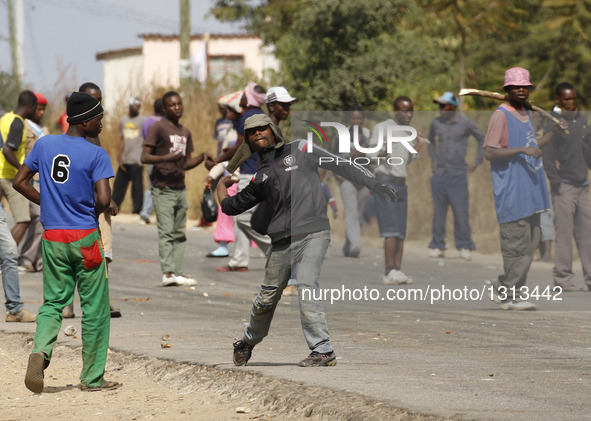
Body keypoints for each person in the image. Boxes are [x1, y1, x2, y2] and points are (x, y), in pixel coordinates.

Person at [219, 114, 397, 367]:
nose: (258, 134)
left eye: (262, 129)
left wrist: (374, 183)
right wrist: (221, 186)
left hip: (314, 233)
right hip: (281, 240)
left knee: (306, 285)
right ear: (247, 140)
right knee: (267, 298)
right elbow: (230, 206)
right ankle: (247, 341)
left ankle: (323, 351)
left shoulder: (301, 149)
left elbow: (340, 164)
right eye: (252, 132)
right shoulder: (261, 177)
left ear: (274, 131)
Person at [14, 91, 120, 392]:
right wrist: (87, 207)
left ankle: (41, 352)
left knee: (53, 302)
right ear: (86, 121)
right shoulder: (96, 154)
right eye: (99, 119)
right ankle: (92, 378)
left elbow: (19, 182)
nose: (101, 124)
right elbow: (104, 199)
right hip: (85, 237)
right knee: (95, 308)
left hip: (53, 237)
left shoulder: (45, 143)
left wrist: (49, 202)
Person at [483, 67, 562, 310]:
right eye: (515, 86)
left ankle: (506, 288)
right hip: (511, 192)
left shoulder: (526, 115)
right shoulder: (501, 115)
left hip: (532, 190)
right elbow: (490, 151)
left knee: (531, 244)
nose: (520, 89)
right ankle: (510, 295)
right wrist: (521, 151)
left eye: (524, 86)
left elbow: (530, 145)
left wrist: (550, 135)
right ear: (506, 89)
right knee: (515, 246)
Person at [141, 91, 213, 286]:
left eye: (179, 104)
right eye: (172, 105)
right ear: (164, 109)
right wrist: (166, 158)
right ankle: (168, 272)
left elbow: (185, 163)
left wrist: (203, 157)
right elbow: (144, 157)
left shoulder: (185, 132)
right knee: (166, 232)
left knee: (180, 233)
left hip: (180, 188)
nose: (177, 108)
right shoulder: (158, 128)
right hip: (162, 188)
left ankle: (178, 272)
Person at [213, 82, 271, 272]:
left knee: (244, 216)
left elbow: (240, 147)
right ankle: (239, 260)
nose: (242, 98)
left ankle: (274, 249)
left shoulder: (246, 117)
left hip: (249, 173)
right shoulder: (261, 114)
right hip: (260, 170)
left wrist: (219, 161)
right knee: (241, 218)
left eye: (245, 95)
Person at [369, 96, 426, 284]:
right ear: (395, 110)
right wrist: (383, 151)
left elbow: (406, 160)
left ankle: (398, 270)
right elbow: (371, 156)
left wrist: (418, 144)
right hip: (386, 182)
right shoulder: (382, 128)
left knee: (401, 230)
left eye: (411, 111)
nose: (408, 114)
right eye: (404, 110)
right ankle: (388, 271)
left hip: (401, 184)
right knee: (391, 230)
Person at [541, 82, 591, 291]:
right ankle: (562, 280)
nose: (572, 102)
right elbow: (548, 156)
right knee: (563, 234)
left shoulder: (582, 120)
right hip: (564, 187)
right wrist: (556, 182)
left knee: (587, 234)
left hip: (583, 185)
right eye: (567, 99)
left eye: (574, 98)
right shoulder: (554, 123)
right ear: (559, 100)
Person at [427, 91, 484, 260]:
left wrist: (476, 161)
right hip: (440, 173)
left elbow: (482, 138)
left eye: (444, 105)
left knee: (460, 211)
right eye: (439, 106)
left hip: (458, 173)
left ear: (453, 107)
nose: (441, 109)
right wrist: (433, 160)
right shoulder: (435, 123)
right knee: (439, 212)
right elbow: (430, 141)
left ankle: (464, 245)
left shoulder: (464, 123)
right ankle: (438, 245)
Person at [0, 90, 38, 246]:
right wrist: (23, 170)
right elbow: (8, 150)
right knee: (23, 220)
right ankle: (3, 260)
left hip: (1, 174)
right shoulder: (17, 123)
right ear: (30, 107)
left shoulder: (4, 119)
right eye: (35, 108)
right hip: (10, 177)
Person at [333, 106, 371, 258]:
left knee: (358, 214)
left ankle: (348, 246)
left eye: (359, 118)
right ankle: (356, 246)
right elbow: (333, 158)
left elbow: (376, 156)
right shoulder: (341, 137)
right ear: (349, 120)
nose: (357, 121)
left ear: (363, 119)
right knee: (351, 213)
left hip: (363, 180)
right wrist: (350, 155)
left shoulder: (368, 137)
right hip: (347, 180)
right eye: (354, 118)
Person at [19, 92, 50, 272]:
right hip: (29, 179)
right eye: (38, 108)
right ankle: (25, 257)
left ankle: (39, 260)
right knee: (37, 218)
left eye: (43, 109)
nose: (40, 112)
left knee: (43, 219)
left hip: (44, 179)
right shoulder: (24, 126)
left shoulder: (43, 129)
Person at [112, 96, 147, 214]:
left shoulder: (143, 120)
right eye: (135, 105)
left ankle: (137, 210)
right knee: (119, 186)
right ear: (130, 106)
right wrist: (119, 157)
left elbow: (147, 139)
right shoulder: (123, 120)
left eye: (139, 106)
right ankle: (114, 208)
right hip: (125, 159)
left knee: (137, 187)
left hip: (137, 159)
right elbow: (122, 139)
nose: (137, 108)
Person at [139, 98, 164, 224]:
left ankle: (145, 212)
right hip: (164, 158)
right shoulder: (165, 122)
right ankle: (158, 214)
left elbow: (145, 138)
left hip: (150, 157)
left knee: (151, 185)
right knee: (163, 186)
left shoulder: (147, 121)